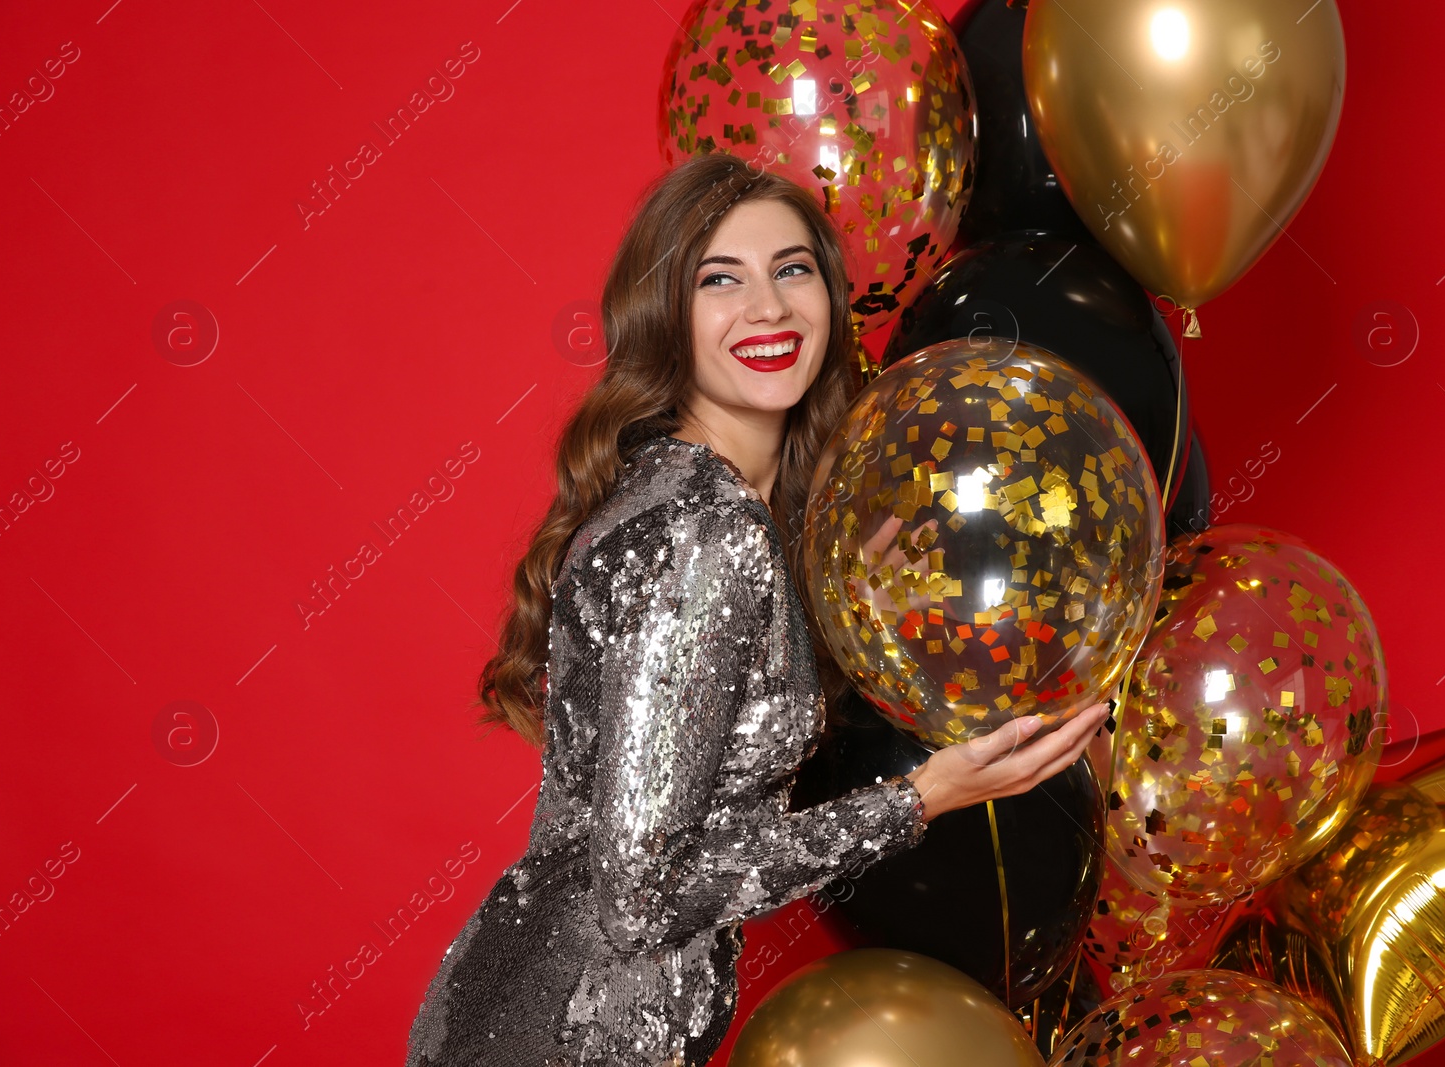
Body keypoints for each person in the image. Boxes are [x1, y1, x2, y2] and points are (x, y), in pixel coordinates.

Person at [403, 152, 1112, 1066]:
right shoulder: (710, 531)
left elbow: (709, 753)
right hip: (569, 1037)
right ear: (667, 316)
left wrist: (846, 613)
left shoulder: (693, 502)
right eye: (719, 280)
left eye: (792, 269)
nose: (768, 308)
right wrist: (920, 798)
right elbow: (637, 900)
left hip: (526, 1008)